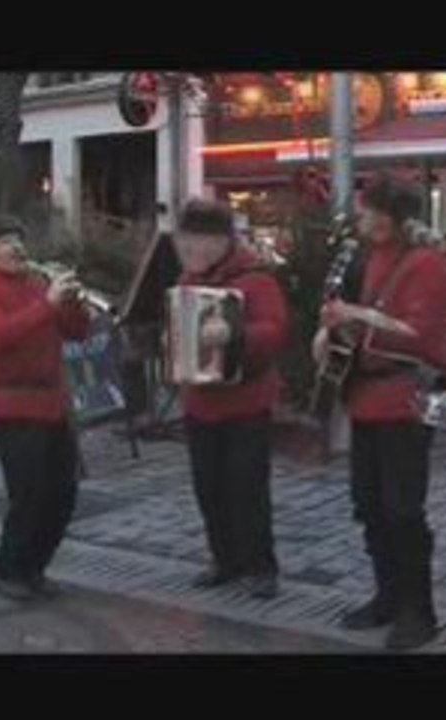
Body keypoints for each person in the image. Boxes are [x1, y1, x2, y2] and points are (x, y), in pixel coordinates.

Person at [313, 173, 446, 650]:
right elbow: (346, 315)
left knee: (403, 509)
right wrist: (329, 333)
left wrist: (357, 317)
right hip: (365, 397)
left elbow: (421, 335)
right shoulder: (364, 256)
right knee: (369, 504)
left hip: (405, 401)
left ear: (392, 217)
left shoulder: (427, 264)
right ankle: (388, 596)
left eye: (369, 209)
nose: (361, 217)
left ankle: (420, 610)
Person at [0, 215, 90, 602]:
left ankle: (35, 567)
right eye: (4, 242)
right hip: (12, 405)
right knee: (29, 494)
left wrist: (73, 302)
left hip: (52, 404)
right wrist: (46, 306)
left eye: (18, 240)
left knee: (63, 494)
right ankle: (9, 569)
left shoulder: (38, 284)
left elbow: (77, 331)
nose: (16, 248)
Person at [173, 199, 288, 599]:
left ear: (224, 241)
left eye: (203, 240)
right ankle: (224, 559)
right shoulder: (186, 281)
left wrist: (235, 333)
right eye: (187, 240)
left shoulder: (255, 280)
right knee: (208, 487)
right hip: (200, 403)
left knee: (247, 487)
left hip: (246, 403)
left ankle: (260, 566)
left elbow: (275, 331)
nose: (193, 249)